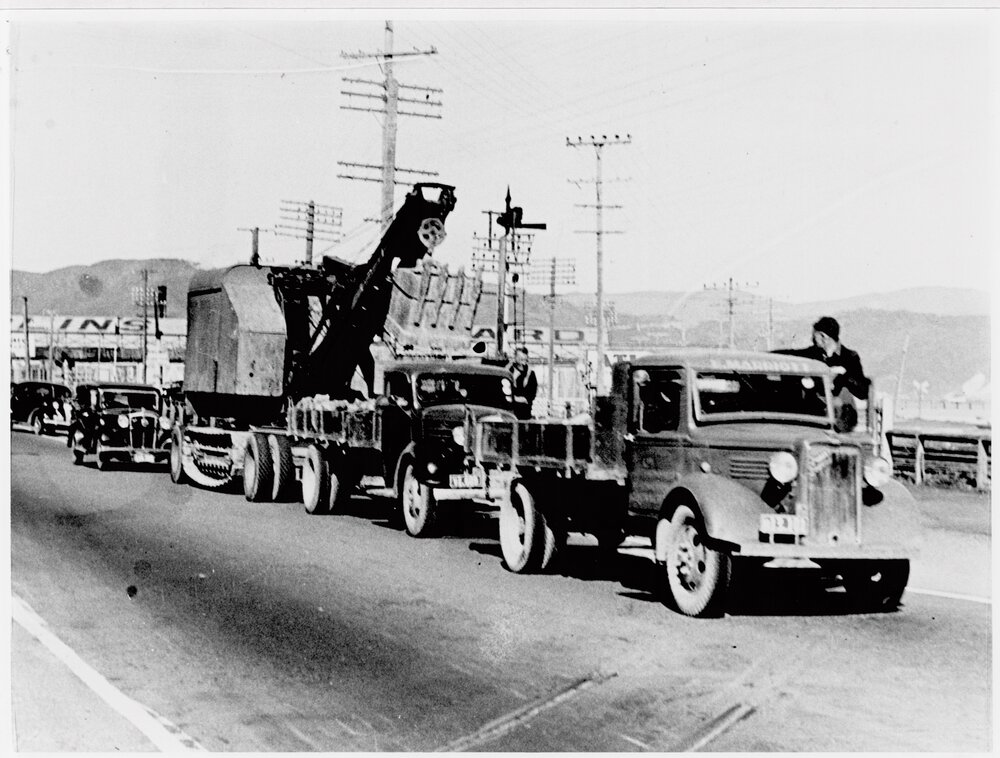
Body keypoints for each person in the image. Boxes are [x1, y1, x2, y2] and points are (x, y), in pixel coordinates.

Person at [776, 316, 870, 431]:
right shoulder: (811, 355)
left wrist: (845, 375)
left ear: (822, 336)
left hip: (842, 420)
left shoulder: (850, 358)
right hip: (816, 418)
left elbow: (863, 392)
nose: (812, 338)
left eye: (814, 335)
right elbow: (790, 354)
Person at [509, 347, 538, 419]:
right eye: (520, 357)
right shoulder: (509, 370)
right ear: (515, 357)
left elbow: (532, 394)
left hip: (525, 412)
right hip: (510, 412)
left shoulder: (530, 373)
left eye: (524, 357)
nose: (522, 359)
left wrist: (520, 399)